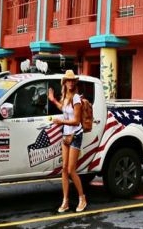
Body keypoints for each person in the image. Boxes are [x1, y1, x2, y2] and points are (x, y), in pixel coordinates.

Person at [48, 69, 87, 213]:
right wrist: (53, 100)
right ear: (64, 82)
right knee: (64, 169)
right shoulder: (65, 96)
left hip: (76, 135)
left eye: (72, 80)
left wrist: (61, 121)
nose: (70, 82)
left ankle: (82, 198)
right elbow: (64, 109)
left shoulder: (76, 98)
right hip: (66, 135)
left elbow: (76, 121)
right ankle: (65, 201)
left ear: (74, 82)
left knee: (71, 169)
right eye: (68, 80)